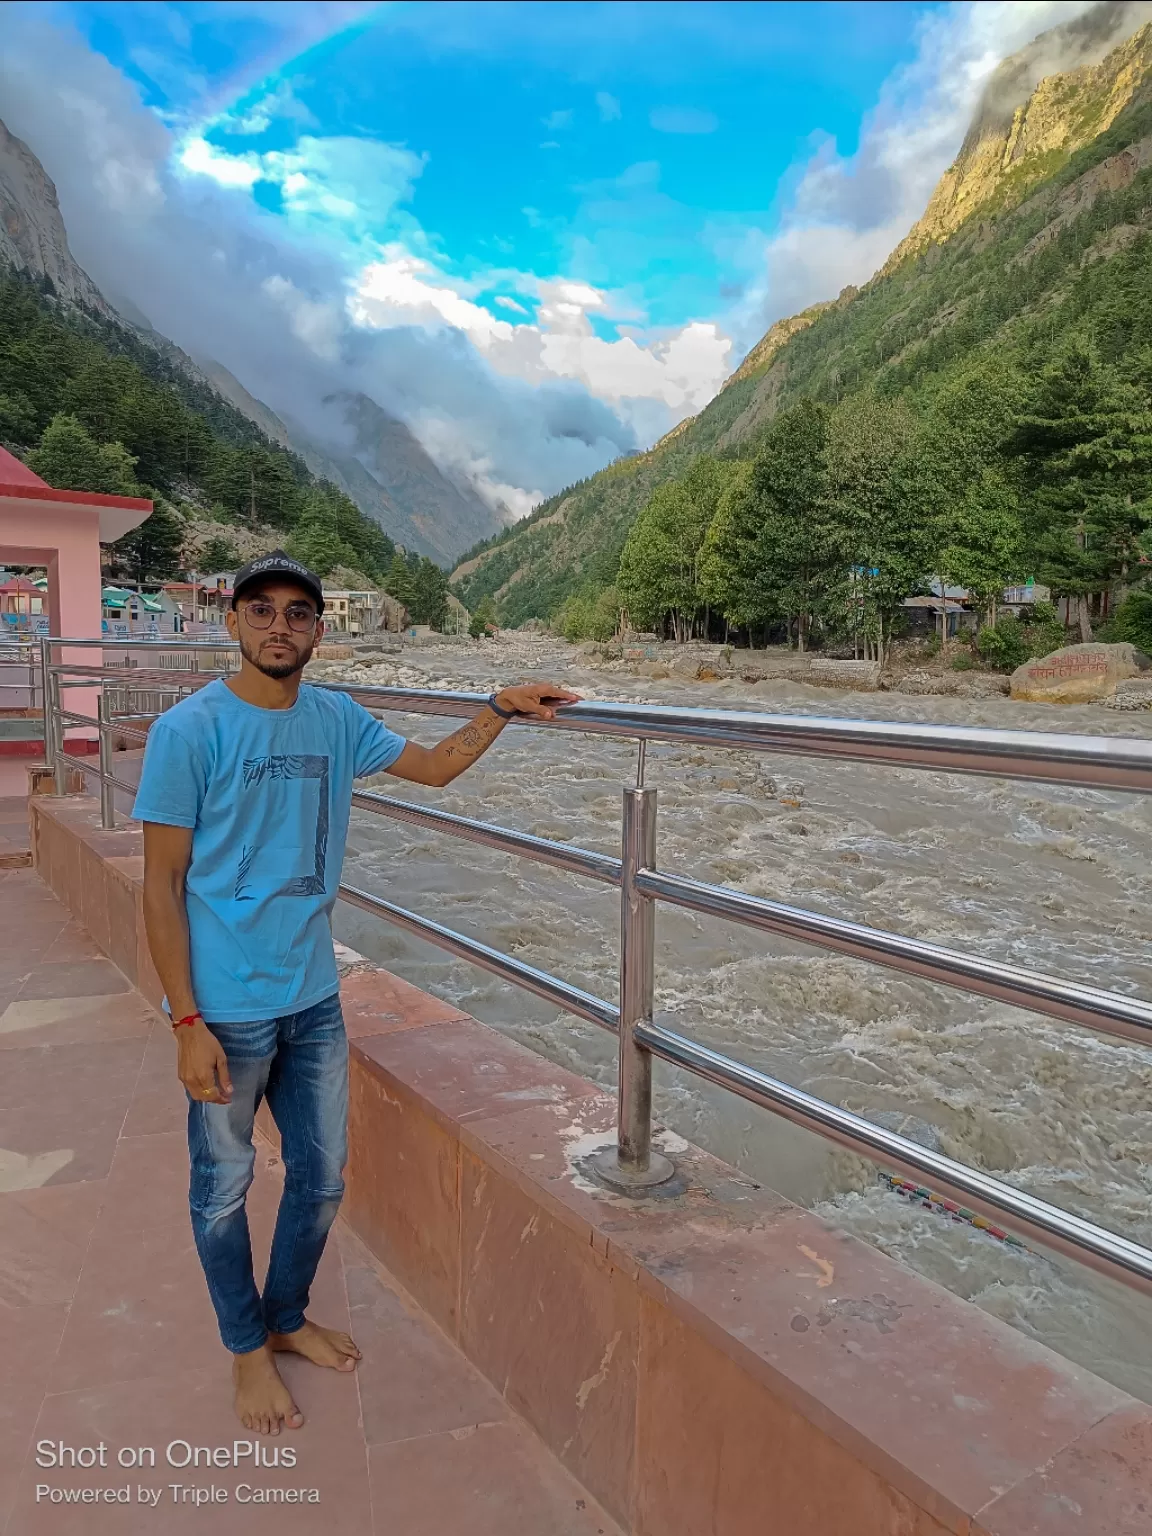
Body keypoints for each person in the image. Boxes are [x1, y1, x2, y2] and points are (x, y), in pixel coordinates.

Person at [133, 551, 578, 1437]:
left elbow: (435, 768)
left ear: (318, 633)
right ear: (233, 623)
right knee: (222, 1187)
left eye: (298, 614)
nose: (279, 627)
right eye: (260, 611)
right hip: (226, 1003)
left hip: (312, 994)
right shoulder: (191, 732)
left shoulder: (335, 718)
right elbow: (160, 885)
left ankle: (287, 1315)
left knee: (323, 1177)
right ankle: (247, 1347)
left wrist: (499, 708)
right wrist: (186, 1020)